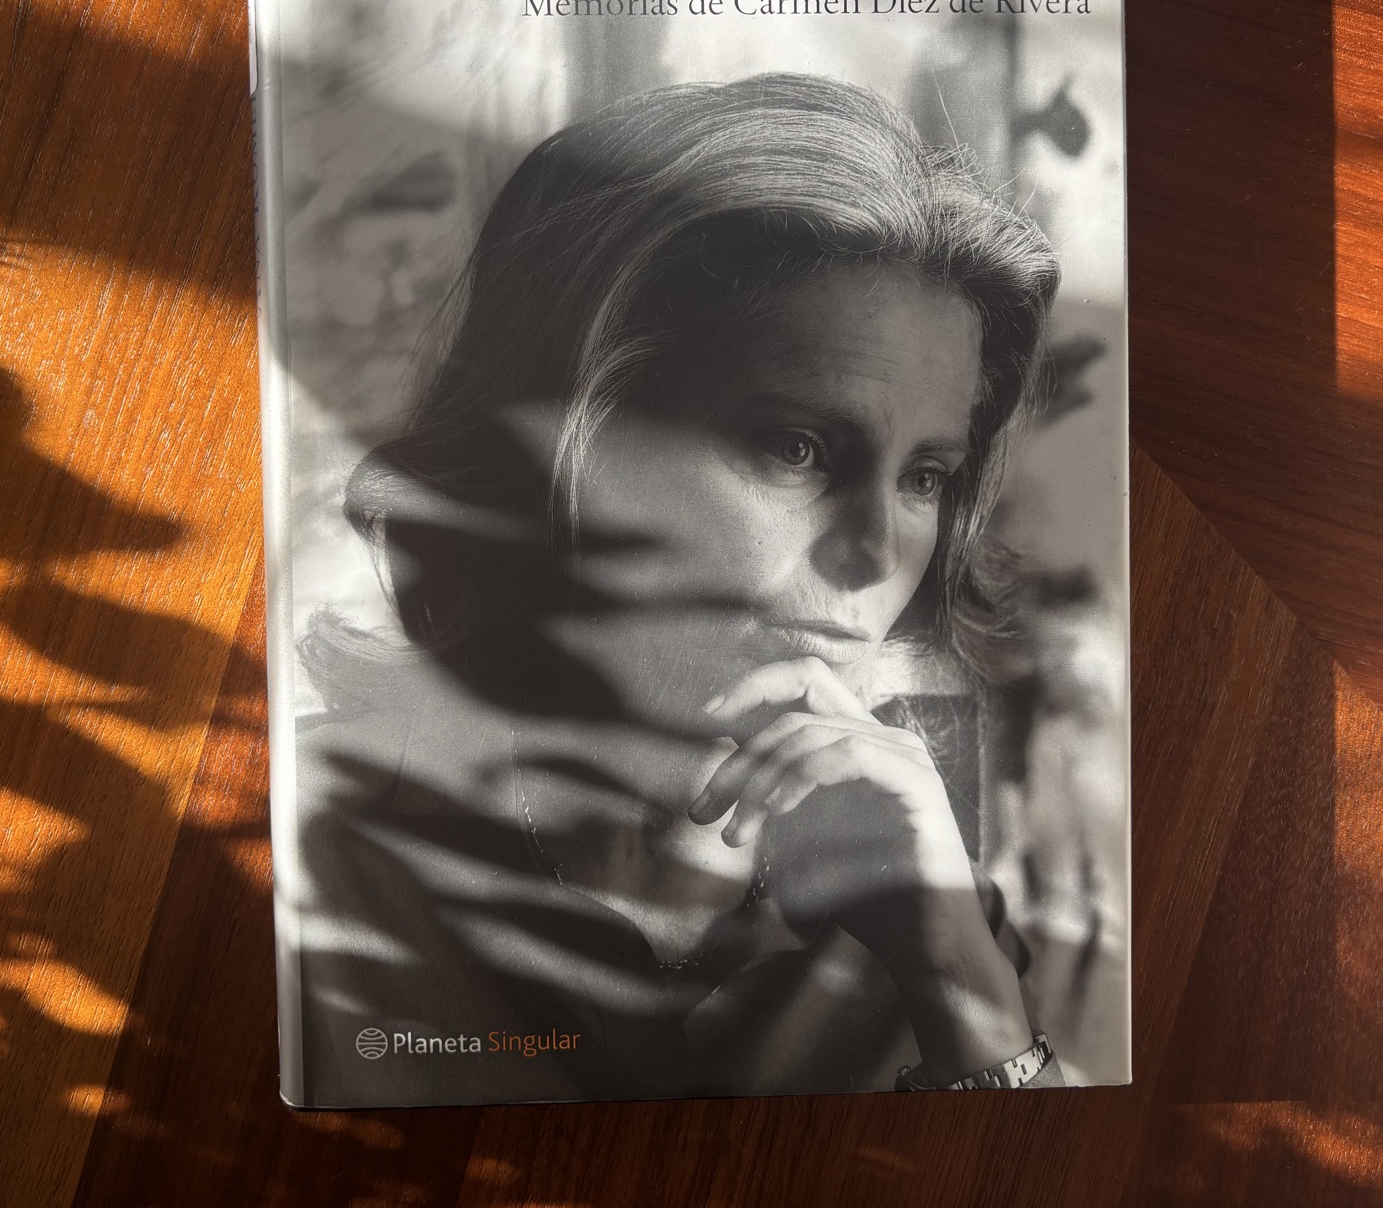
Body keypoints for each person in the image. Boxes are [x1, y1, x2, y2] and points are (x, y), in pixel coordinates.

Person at [295, 72, 1063, 1104]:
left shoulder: (935, 913)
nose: (878, 553)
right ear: (570, 443)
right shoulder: (297, 846)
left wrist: (966, 991)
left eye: (924, 476)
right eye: (796, 448)